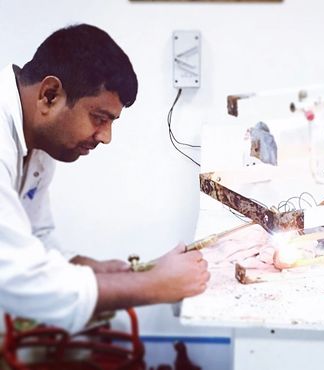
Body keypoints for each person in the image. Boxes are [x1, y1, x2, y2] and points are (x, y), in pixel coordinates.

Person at [0, 24, 210, 333]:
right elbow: (17, 277)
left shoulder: (39, 143)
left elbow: (35, 240)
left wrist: (93, 268)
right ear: (50, 95)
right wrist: (152, 285)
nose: (106, 137)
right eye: (99, 118)